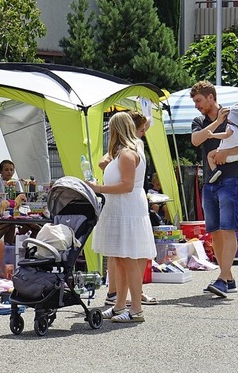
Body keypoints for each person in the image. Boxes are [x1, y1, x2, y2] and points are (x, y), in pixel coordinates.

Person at [190, 80, 238, 298]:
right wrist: (216, 122)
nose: (197, 105)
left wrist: (228, 153)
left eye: (199, 100)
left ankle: (222, 279)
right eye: (195, 102)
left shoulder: (233, 116)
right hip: (210, 181)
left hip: (231, 178)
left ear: (211, 97)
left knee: (228, 229)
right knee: (215, 233)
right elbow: (195, 140)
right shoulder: (199, 120)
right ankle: (228, 278)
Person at [88, 111, 156, 323]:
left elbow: (127, 185)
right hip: (121, 209)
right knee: (119, 257)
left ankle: (135, 308)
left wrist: (98, 187)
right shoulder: (126, 151)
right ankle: (120, 305)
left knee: (128, 259)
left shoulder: (128, 153)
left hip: (126, 210)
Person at [205, 104, 238, 190]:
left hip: (224, 154)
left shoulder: (231, 127)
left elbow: (226, 135)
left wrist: (213, 135)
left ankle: (215, 171)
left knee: (210, 155)